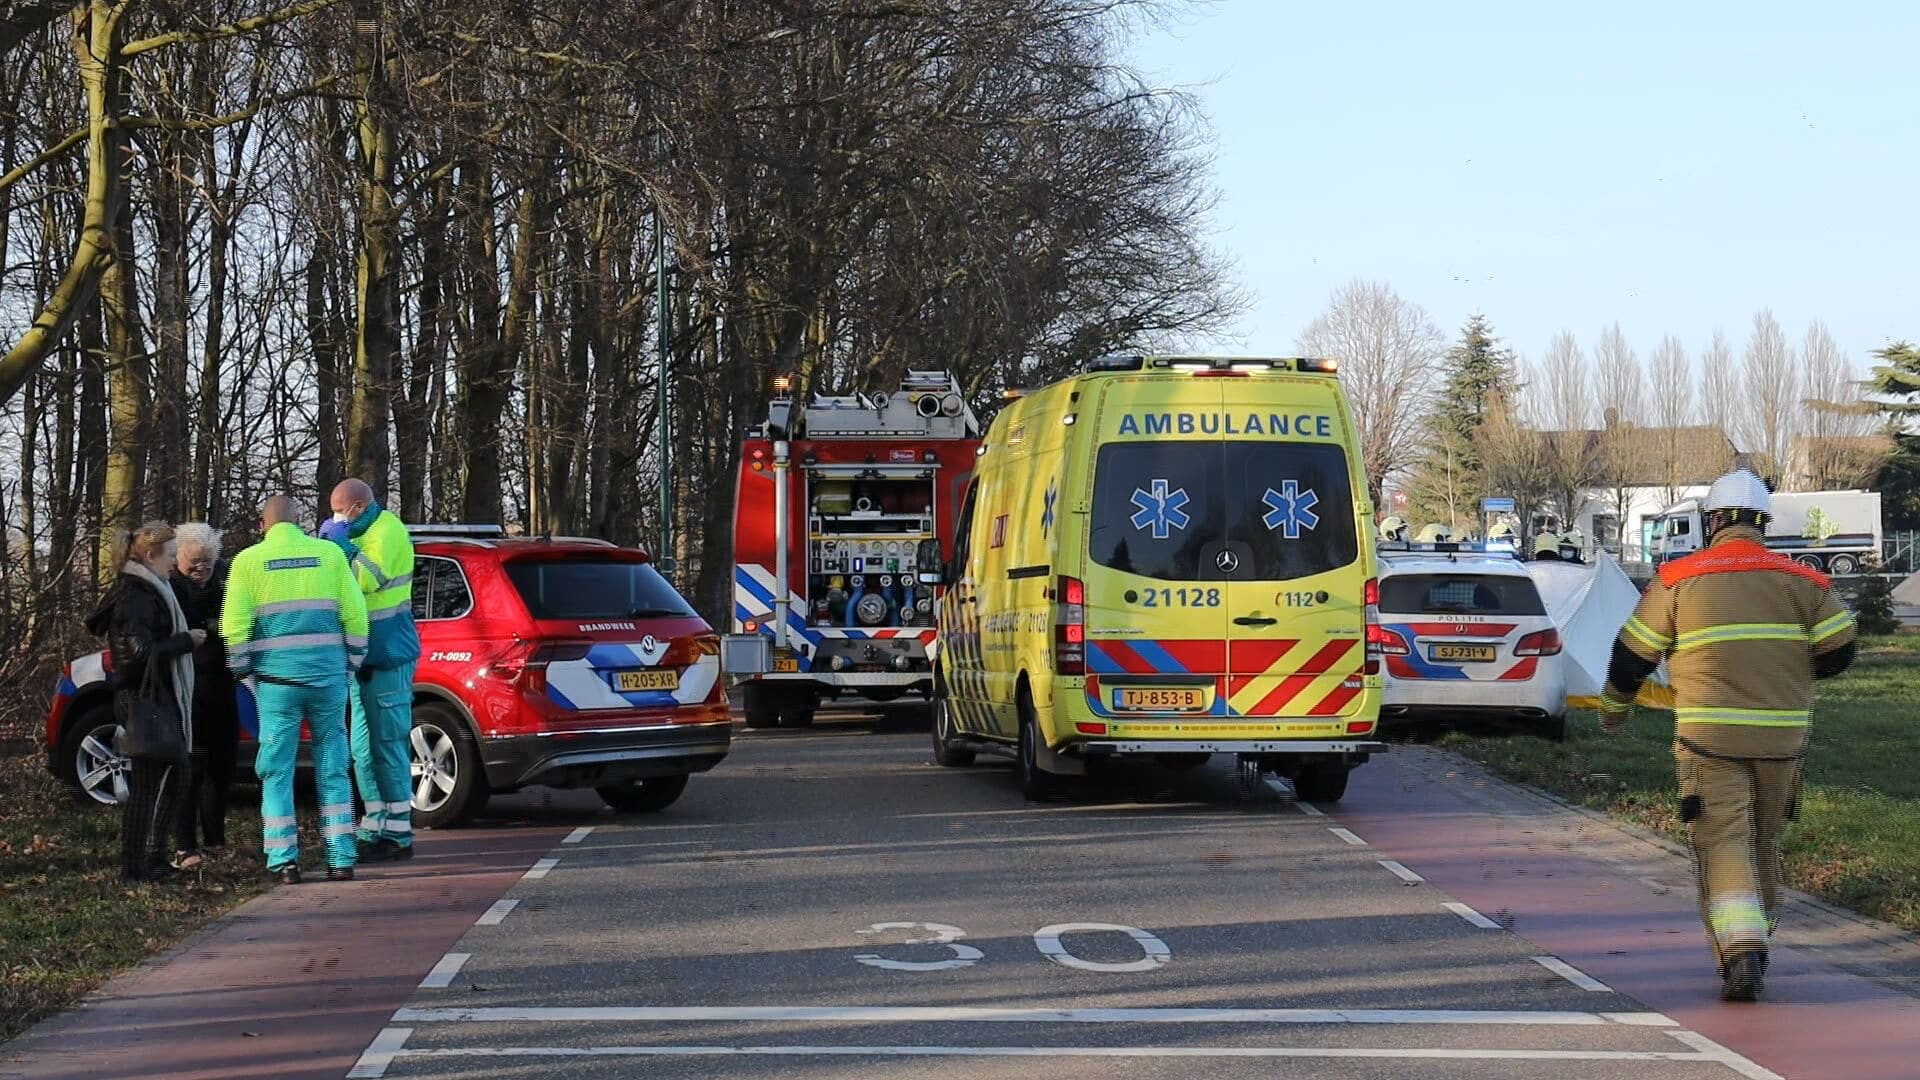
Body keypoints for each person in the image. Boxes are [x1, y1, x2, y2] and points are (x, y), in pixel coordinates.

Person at [1596, 469, 1857, 1002]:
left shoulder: (1677, 579)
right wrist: (1792, 675)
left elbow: (1630, 659)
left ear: (1713, 521)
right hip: (1783, 742)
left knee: (1723, 842)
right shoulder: (1803, 581)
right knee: (1762, 842)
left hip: (1708, 743)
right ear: (1762, 522)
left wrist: (1613, 714)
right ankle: (1755, 944)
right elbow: (1841, 648)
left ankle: (1740, 948)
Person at [222, 496, 369, 884]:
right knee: (334, 767)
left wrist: (243, 674)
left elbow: (234, 628)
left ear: (261, 525)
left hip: (276, 685)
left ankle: (284, 861)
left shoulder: (247, 562)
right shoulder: (330, 555)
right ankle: (341, 858)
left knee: (276, 771)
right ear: (300, 522)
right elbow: (355, 615)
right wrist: (350, 663)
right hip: (328, 680)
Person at [85, 523, 204, 882]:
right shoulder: (136, 594)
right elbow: (141, 653)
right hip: (142, 696)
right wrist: (186, 641)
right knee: (150, 783)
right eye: (171, 556)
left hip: (155, 694)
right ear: (151, 556)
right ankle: (134, 867)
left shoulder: (154, 588)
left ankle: (153, 857)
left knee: (177, 775)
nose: (175, 563)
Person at [322, 479, 421, 861]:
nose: (336, 517)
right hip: (361, 655)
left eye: (341, 509)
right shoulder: (358, 531)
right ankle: (374, 823)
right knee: (362, 749)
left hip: (389, 652)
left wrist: (342, 549)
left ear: (359, 506)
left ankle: (398, 834)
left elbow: (367, 579)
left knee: (388, 744)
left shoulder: (388, 531)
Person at [169, 523, 239, 866]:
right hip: (188, 690)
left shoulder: (226, 585)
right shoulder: (169, 589)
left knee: (221, 767)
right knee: (191, 769)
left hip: (222, 686)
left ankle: (215, 839)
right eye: (193, 564)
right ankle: (185, 844)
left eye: (207, 564)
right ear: (178, 558)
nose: (200, 572)